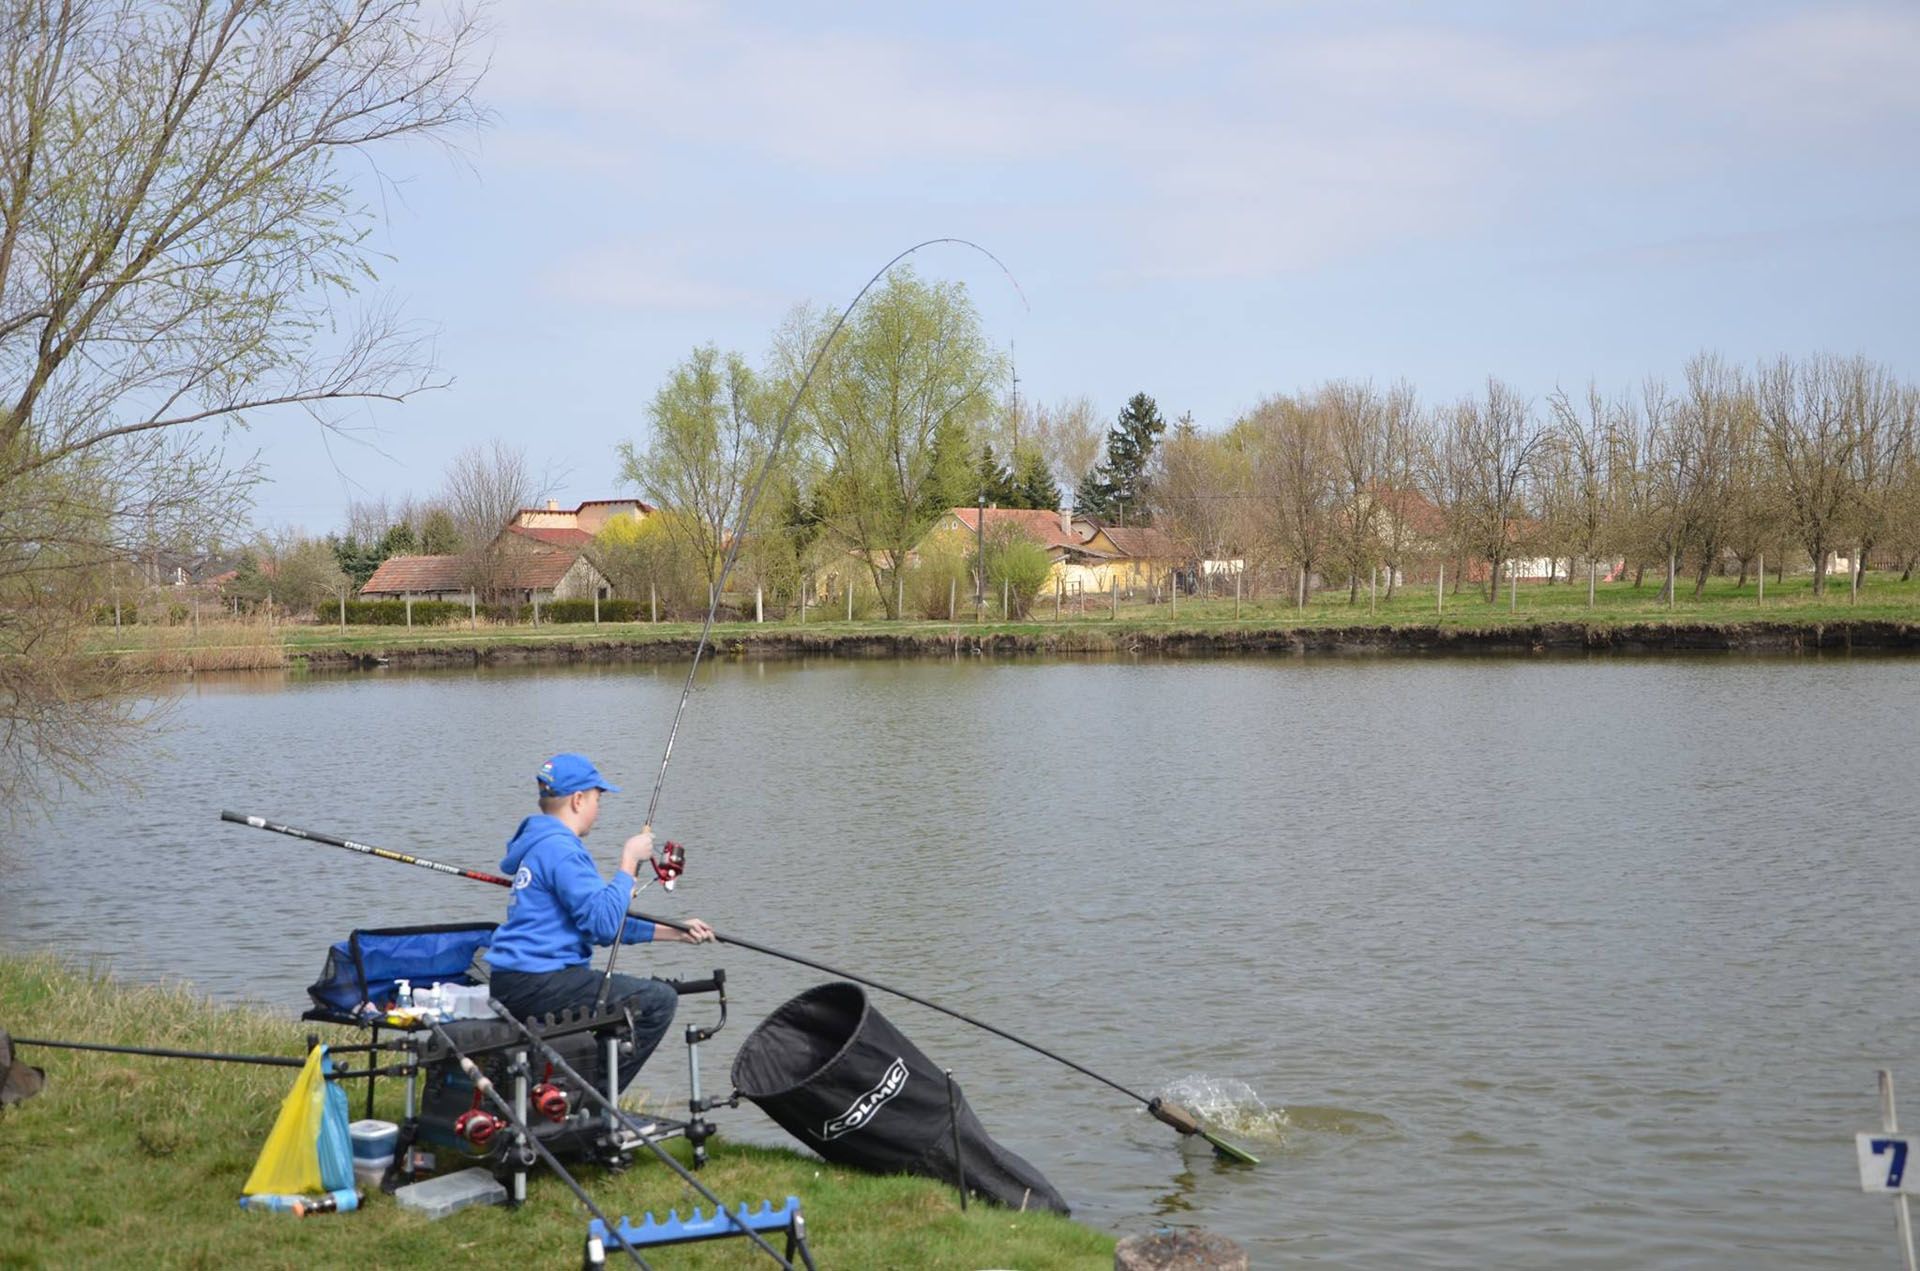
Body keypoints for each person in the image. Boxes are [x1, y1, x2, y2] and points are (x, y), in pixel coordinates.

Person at [487, 752, 714, 1092]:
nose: (599, 808)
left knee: (628, 1000)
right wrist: (628, 861)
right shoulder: (562, 850)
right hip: (540, 982)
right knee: (658, 1001)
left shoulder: (542, 844)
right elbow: (605, 924)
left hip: (516, 980)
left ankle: (573, 1097)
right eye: (598, 798)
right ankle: (594, 1106)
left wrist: (675, 932)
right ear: (578, 800)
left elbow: (595, 919)